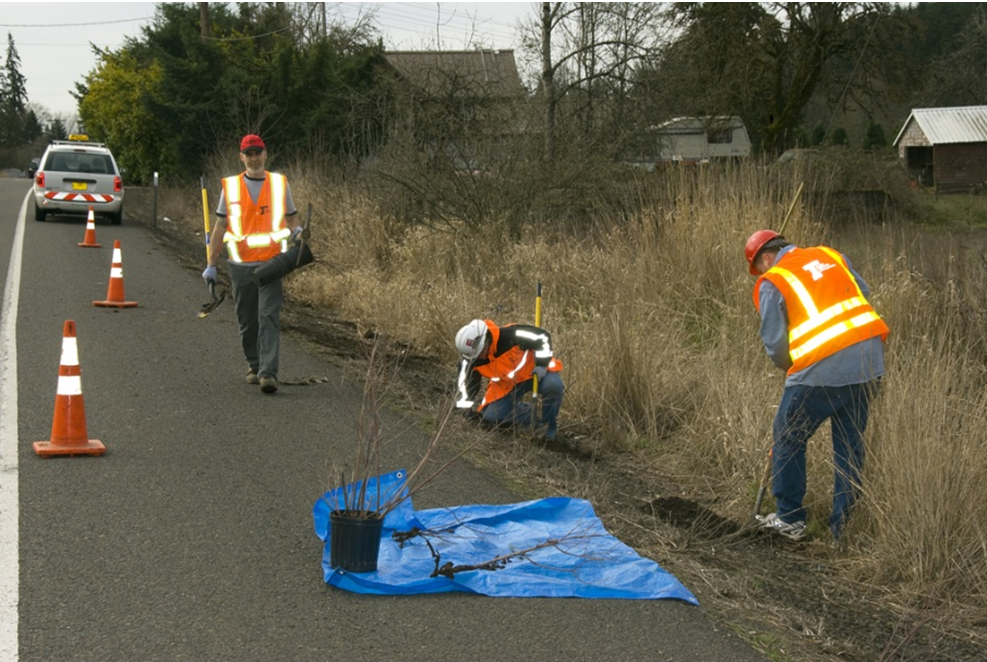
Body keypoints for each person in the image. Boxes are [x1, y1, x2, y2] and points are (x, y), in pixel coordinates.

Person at [745, 230, 889, 541]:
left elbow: (775, 344)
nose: (761, 273)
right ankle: (844, 530)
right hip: (868, 363)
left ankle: (789, 518)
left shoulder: (774, 280)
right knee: (850, 446)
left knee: (787, 438)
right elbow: (861, 294)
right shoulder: (830, 255)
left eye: (758, 269)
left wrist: (790, 368)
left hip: (821, 372)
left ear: (764, 258)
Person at [202, 134, 302, 394]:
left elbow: (291, 218)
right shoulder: (231, 187)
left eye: (258, 152)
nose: (254, 157)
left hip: (272, 264)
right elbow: (221, 226)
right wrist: (211, 264)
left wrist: (298, 231)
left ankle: (268, 373)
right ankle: (254, 364)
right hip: (241, 265)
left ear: (265, 154)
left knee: (268, 315)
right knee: (247, 320)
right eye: (249, 153)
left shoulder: (280, 184)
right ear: (242, 157)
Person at [454, 319, 565, 440]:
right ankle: (529, 414)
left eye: (480, 352)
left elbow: (543, 337)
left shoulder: (513, 334)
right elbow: (466, 385)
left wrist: (542, 365)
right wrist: (464, 407)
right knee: (491, 417)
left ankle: (548, 430)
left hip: (536, 372)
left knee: (554, 386)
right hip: (506, 384)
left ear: (486, 340)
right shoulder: (472, 359)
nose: (479, 358)